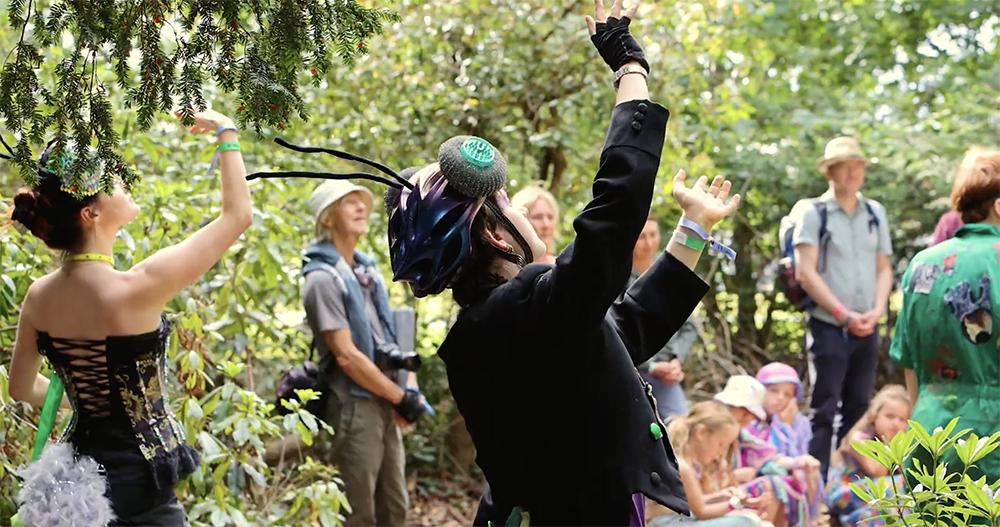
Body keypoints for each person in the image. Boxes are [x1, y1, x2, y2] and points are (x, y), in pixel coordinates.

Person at [7, 108, 252, 525]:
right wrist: (225, 130)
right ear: (91, 213)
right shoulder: (137, 287)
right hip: (142, 485)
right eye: (114, 182)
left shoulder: (39, 296)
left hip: (77, 484)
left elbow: (19, 386)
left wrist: (84, 403)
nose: (125, 183)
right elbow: (237, 217)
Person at [301, 180, 428, 527]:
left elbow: (392, 338)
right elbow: (345, 355)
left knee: (395, 507)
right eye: (349, 203)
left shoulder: (366, 270)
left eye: (363, 202)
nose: (361, 208)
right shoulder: (321, 278)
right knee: (358, 513)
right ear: (327, 217)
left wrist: (408, 390)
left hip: (385, 397)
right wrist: (401, 397)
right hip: (355, 404)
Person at [890, 149, 1000, 481]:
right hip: (990, 438)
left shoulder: (922, 264)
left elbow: (907, 360)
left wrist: (924, 419)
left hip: (929, 434)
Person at [791, 136, 893, 478]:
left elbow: (884, 267)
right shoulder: (813, 212)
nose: (852, 174)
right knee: (824, 406)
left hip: (867, 323)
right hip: (828, 323)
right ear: (830, 172)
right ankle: (815, 485)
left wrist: (878, 310)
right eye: (844, 167)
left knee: (860, 405)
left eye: (857, 167)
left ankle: (849, 483)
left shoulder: (875, 213)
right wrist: (843, 315)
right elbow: (805, 271)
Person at [660, 401, 775, 527]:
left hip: (680, 521)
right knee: (748, 522)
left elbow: (695, 502)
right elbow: (701, 511)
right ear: (701, 433)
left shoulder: (685, 464)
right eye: (721, 444)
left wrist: (722, 496)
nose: (721, 453)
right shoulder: (683, 467)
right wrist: (735, 504)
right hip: (667, 523)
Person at [631, 215, 698, 418]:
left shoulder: (666, 272)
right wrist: (651, 367)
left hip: (667, 374)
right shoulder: (617, 276)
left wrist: (677, 359)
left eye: (653, 235)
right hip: (631, 371)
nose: (648, 243)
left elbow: (689, 326)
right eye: (642, 237)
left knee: (681, 426)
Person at [826, 385, 911, 527]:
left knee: (902, 489)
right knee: (895, 485)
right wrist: (890, 445)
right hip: (845, 491)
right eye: (890, 416)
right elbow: (877, 472)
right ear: (874, 416)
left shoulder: (897, 444)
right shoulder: (859, 438)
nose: (896, 423)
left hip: (870, 495)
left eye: (902, 419)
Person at [749, 362, 811, 458]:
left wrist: (785, 425)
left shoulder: (801, 424)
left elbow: (799, 457)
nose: (780, 398)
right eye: (774, 390)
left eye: (788, 394)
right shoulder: (749, 418)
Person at [511, 185, 559, 264]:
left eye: (550, 217)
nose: (546, 225)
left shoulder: (563, 266)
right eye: (538, 217)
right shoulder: (507, 268)